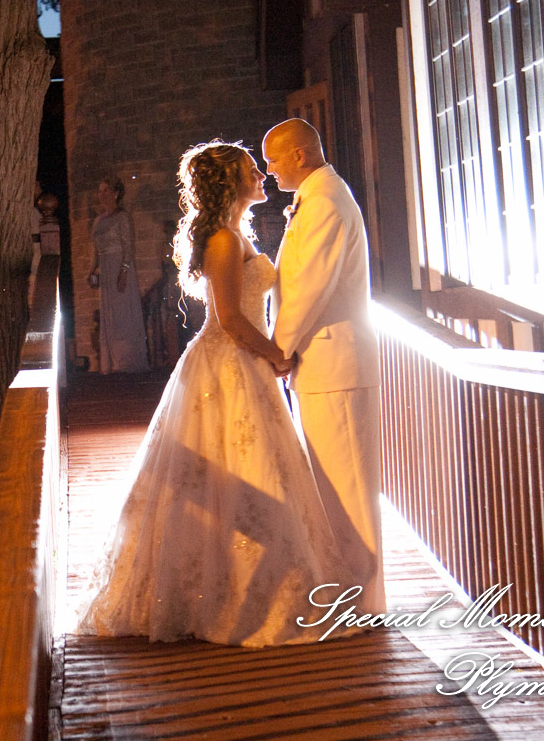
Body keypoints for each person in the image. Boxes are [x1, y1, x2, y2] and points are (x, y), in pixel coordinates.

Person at [76, 141, 345, 647]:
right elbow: (231, 319)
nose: (261, 175)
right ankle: (228, 598)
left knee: (253, 470)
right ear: (230, 183)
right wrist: (277, 355)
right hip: (227, 364)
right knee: (234, 472)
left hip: (244, 364)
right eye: (252, 170)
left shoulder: (237, 234)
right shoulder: (223, 240)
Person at [264, 118, 386, 614]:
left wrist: (278, 349)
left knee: (349, 488)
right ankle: (348, 593)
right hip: (321, 365)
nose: (270, 170)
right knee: (332, 489)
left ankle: (364, 602)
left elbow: (308, 288)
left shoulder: (326, 203)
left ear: (299, 155)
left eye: (274, 159)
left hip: (335, 363)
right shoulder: (316, 197)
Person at [89, 176, 149, 373]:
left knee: (122, 312)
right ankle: (112, 361)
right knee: (110, 314)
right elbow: (95, 249)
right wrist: (92, 270)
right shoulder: (98, 221)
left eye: (106, 190)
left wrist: (124, 271)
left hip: (120, 267)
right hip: (105, 268)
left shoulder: (123, 217)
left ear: (116, 193)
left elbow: (128, 246)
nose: (103, 194)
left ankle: (127, 360)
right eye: (100, 191)